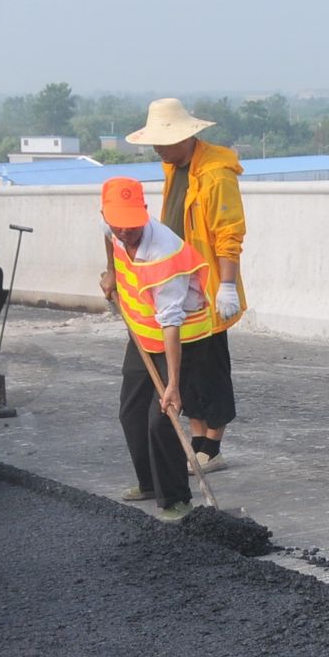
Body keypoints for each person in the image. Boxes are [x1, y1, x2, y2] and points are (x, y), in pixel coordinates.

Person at [125, 98, 245, 466]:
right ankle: (196, 442)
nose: (157, 149)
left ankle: (213, 447)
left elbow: (228, 233)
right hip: (177, 280)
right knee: (189, 368)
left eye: (163, 141)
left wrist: (226, 286)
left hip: (207, 287)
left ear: (184, 136)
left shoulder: (215, 174)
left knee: (210, 368)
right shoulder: (175, 167)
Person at [99, 175, 223, 521]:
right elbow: (109, 239)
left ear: (145, 212)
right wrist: (111, 272)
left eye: (132, 225)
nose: (125, 231)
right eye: (117, 223)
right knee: (131, 413)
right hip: (143, 334)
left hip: (183, 339)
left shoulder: (164, 251)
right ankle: (151, 484)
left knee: (162, 418)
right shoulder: (112, 224)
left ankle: (177, 500)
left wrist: (172, 385)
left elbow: (172, 323)